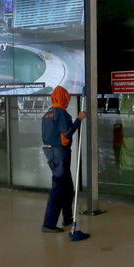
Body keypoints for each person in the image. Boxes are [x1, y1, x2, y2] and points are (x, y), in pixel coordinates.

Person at [41, 86, 86, 233]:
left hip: (50, 152)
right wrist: (79, 120)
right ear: (63, 98)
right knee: (58, 189)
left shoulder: (47, 114)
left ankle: (67, 218)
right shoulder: (61, 114)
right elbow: (67, 134)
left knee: (67, 188)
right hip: (60, 153)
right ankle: (48, 224)